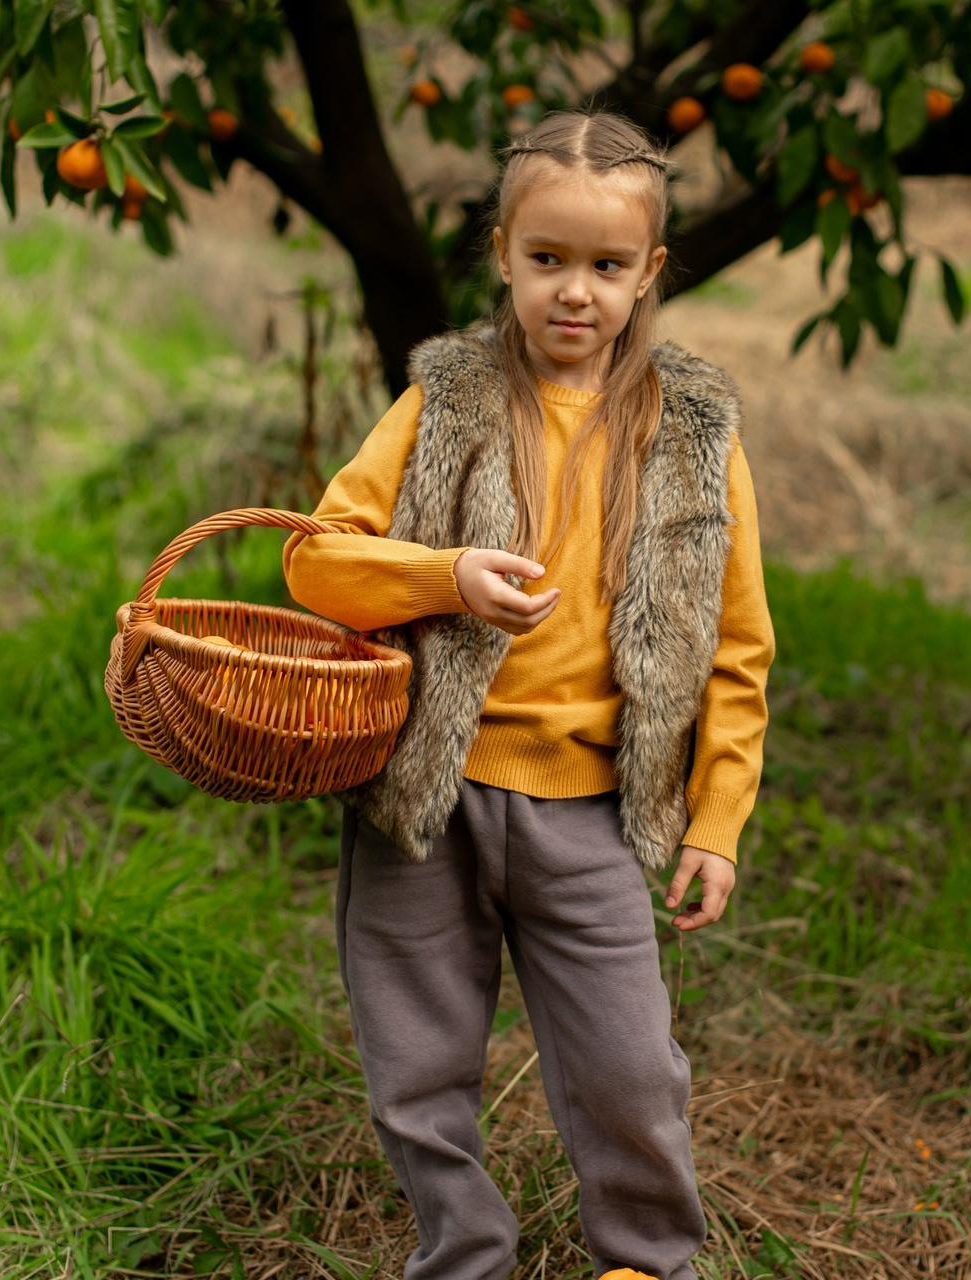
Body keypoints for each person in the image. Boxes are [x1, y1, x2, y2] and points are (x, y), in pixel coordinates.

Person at [283, 108, 775, 1280]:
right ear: (501, 251)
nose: (574, 292)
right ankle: (463, 1253)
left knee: (630, 1069)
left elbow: (739, 645)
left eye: (606, 267)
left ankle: (645, 1260)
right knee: (415, 1069)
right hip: (425, 801)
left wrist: (716, 816)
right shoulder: (443, 402)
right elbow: (314, 558)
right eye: (546, 259)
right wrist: (439, 573)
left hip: (591, 811)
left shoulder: (690, 431)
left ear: (648, 273)